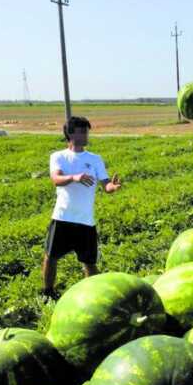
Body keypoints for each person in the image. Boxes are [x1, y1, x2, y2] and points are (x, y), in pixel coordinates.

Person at [42, 116, 122, 298]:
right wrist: (74, 177)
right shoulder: (59, 157)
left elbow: (106, 185)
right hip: (63, 217)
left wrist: (113, 187)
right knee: (51, 256)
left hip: (86, 220)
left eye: (87, 131)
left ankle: (93, 295)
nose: (86, 134)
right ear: (70, 133)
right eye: (82, 131)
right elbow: (56, 179)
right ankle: (48, 292)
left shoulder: (95, 159)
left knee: (89, 262)